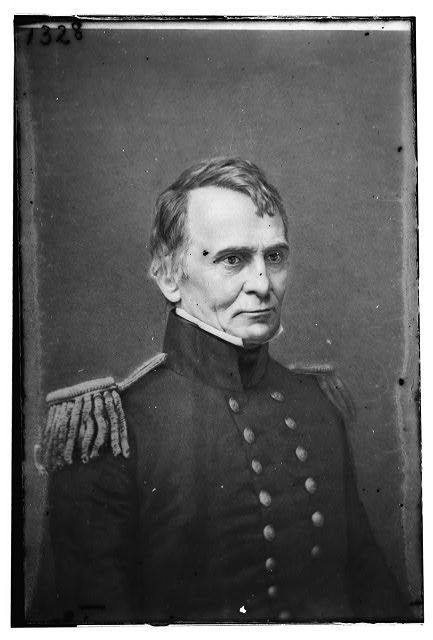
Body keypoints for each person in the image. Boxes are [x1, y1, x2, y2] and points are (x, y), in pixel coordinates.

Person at [36, 157, 411, 624]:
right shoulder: (109, 432)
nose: (262, 284)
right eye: (233, 260)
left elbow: (372, 592)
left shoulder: (315, 404)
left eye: (274, 257)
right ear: (169, 276)